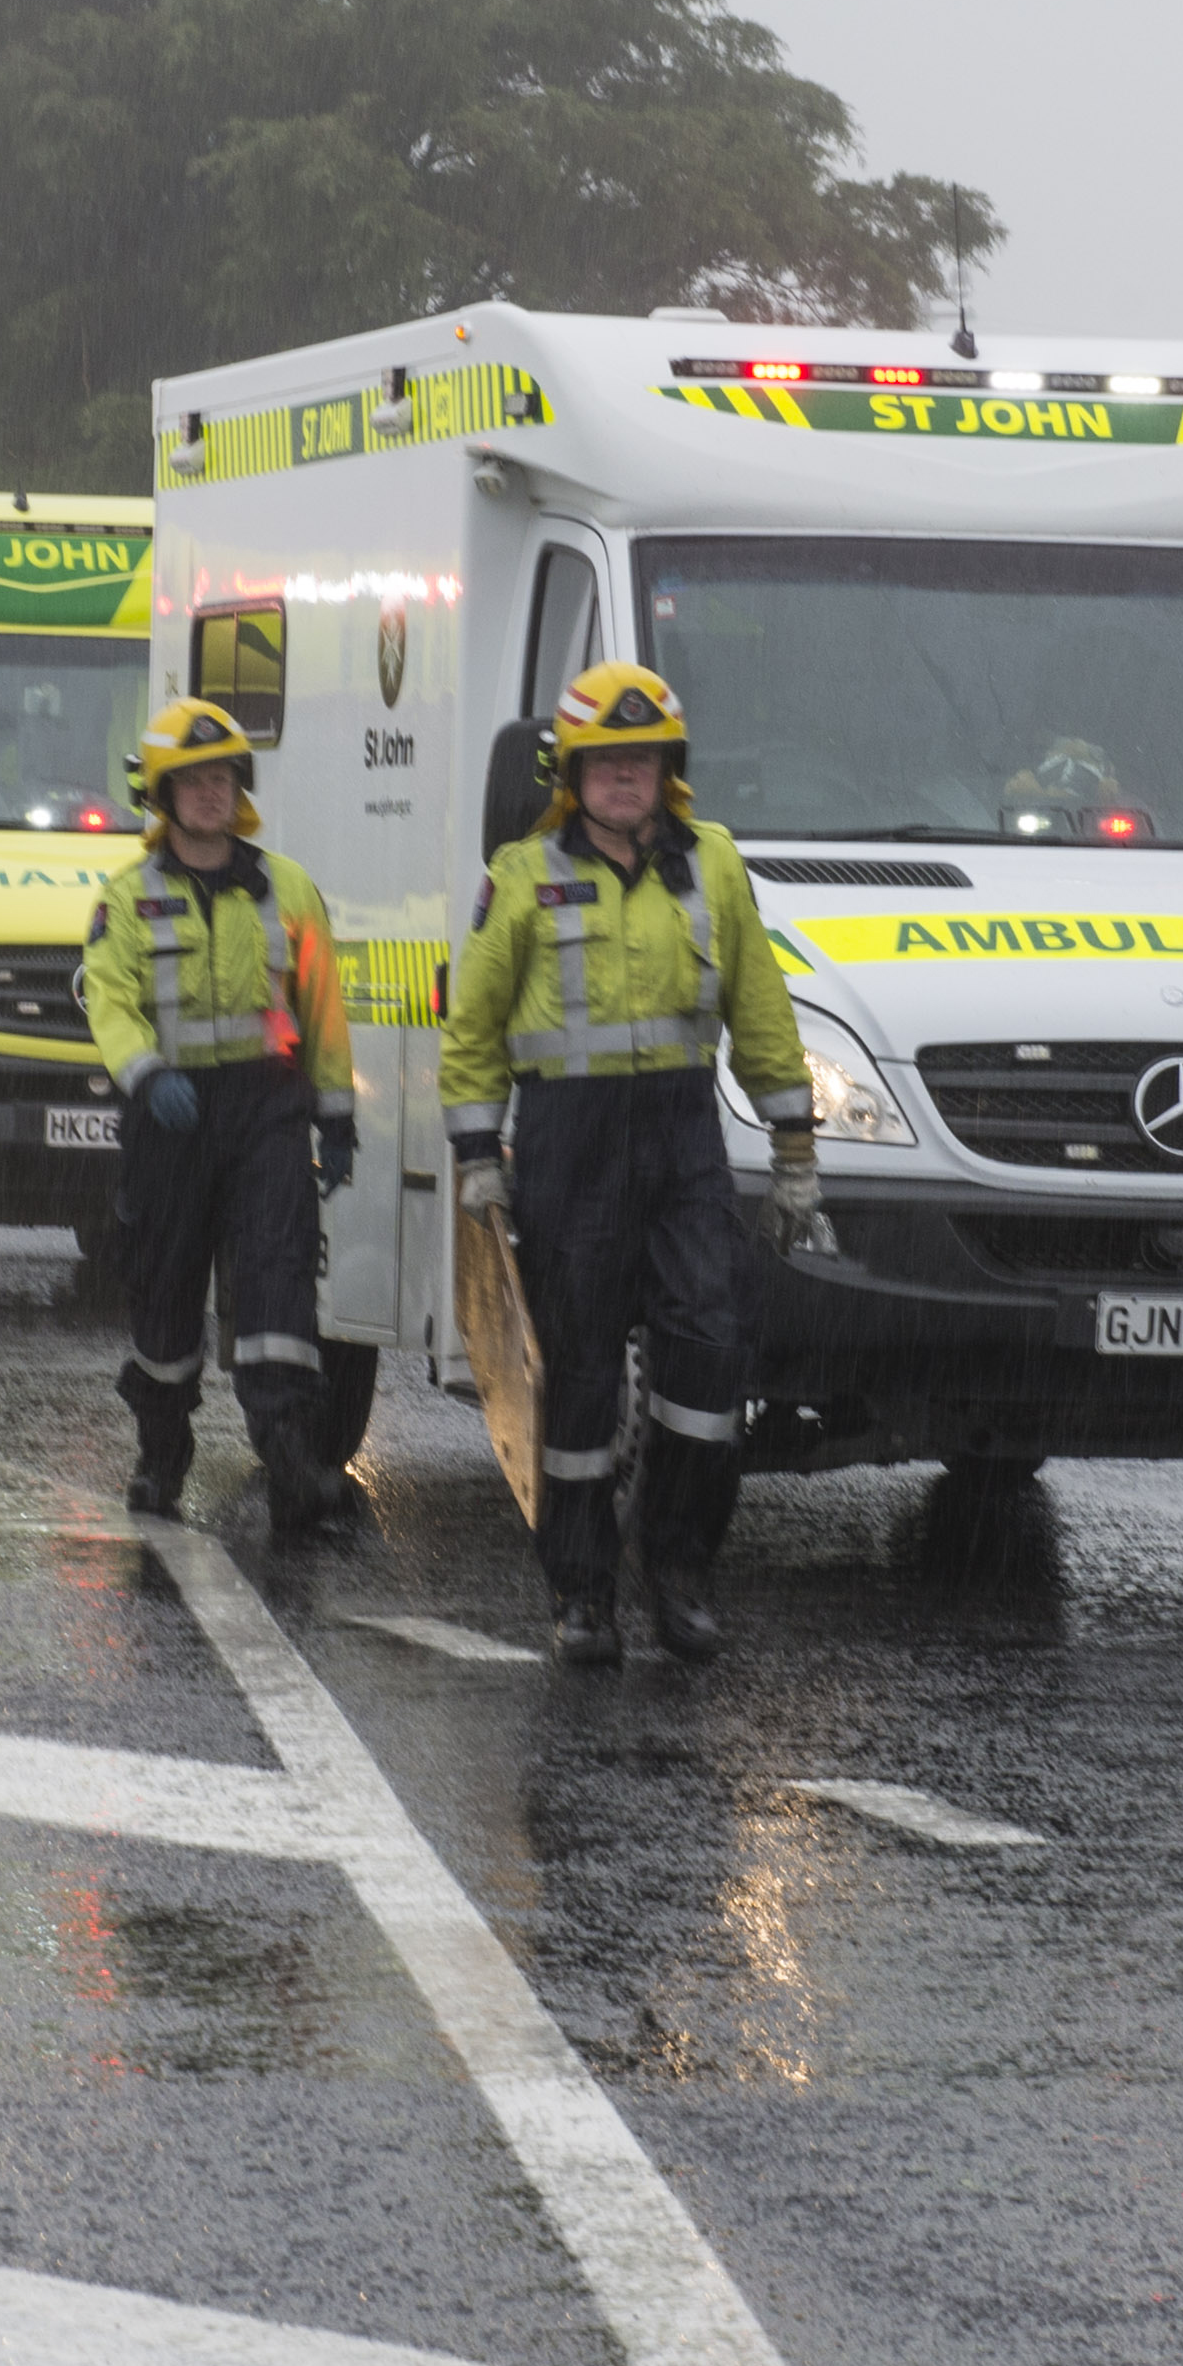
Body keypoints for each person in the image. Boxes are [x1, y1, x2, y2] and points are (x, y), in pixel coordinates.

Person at [443, 663, 813, 1664]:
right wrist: (478, 1158)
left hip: (684, 1138)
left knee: (707, 1356)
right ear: (571, 773)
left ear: (667, 771)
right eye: (605, 762)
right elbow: (472, 1031)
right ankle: (582, 1593)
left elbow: (763, 1013)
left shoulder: (716, 865)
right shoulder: (520, 876)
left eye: (641, 761)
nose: (623, 778)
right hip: (570, 1146)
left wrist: (795, 1153)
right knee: (579, 1381)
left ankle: (680, 1573)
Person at [73, 698, 362, 1539]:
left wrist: (335, 1118)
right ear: (163, 796)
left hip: (265, 1112)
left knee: (278, 1283)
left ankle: (293, 1460)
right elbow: (111, 1002)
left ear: (242, 788)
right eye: (192, 780)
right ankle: (162, 1452)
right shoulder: (127, 899)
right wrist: (146, 1073)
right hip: (170, 1118)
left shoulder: (288, 889)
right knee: (163, 1292)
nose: (210, 793)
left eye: (223, 777)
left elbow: (323, 1012)